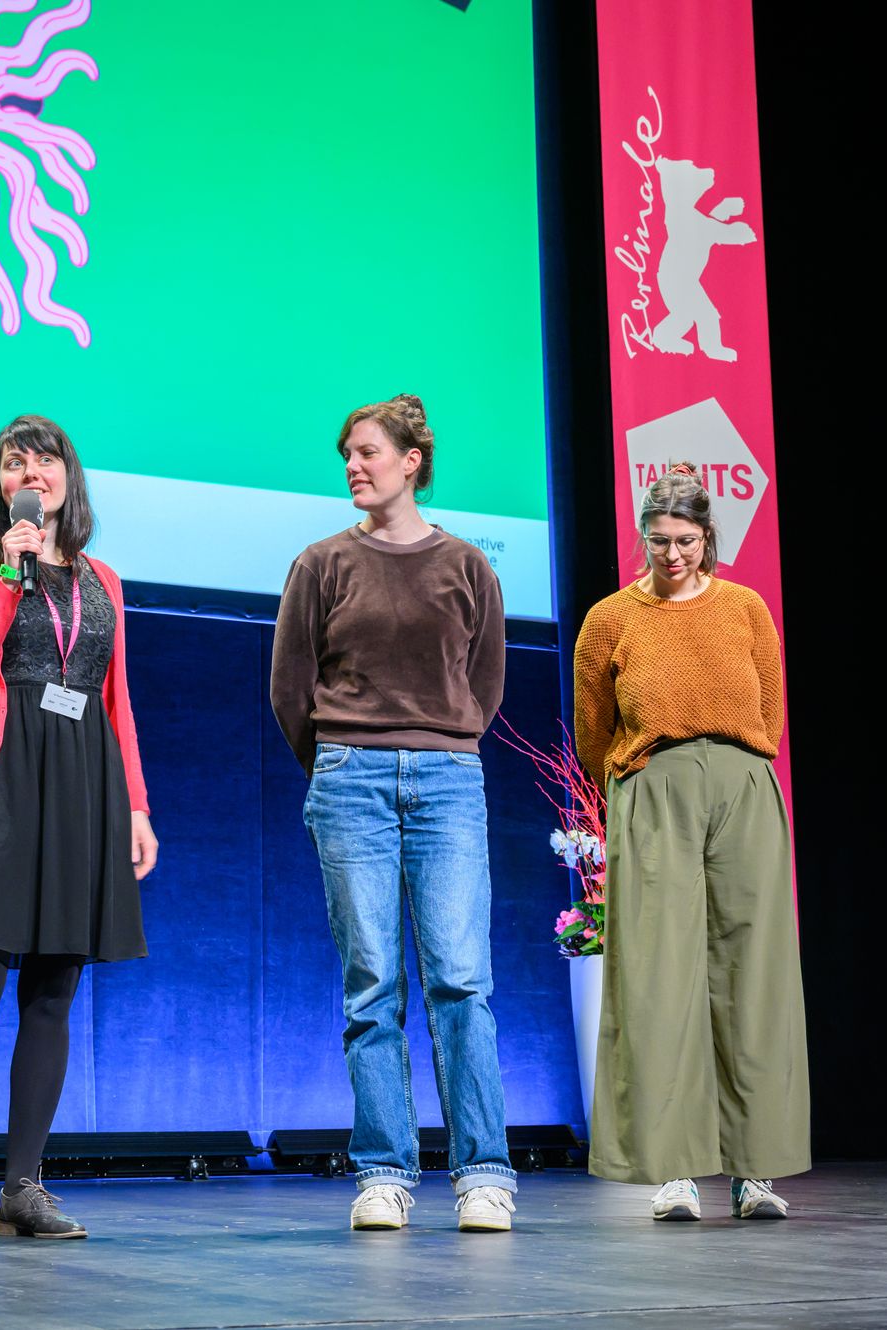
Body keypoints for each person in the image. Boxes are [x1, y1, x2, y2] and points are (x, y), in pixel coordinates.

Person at [0, 415, 157, 1246]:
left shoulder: (102, 579)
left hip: (83, 784)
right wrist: (10, 575)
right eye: (16, 462)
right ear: (0, 484)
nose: (32, 471)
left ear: (69, 480)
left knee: (53, 996)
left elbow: (116, 701)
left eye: (45, 460)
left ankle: (23, 1187)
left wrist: (137, 808)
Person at [270, 393, 518, 1234]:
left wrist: (437, 744)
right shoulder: (321, 564)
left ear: (412, 462)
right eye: (347, 454)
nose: (354, 466)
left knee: (460, 979)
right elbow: (289, 686)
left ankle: (483, 1173)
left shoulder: (467, 565)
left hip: (449, 777)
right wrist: (341, 762)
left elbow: (484, 684)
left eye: (369, 452)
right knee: (372, 985)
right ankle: (383, 1172)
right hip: (349, 779)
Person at [572, 463, 809, 1221]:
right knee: (658, 972)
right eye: (659, 541)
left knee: (753, 972)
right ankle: (673, 1169)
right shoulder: (611, 618)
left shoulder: (745, 608)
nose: (672, 555)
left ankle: (754, 1169)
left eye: (686, 541)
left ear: (709, 538)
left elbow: (769, 712)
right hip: (653, 786)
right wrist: (639, 779)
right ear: (643, 538)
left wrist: (727, 767)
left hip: (741, 787)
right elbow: (591, 732)